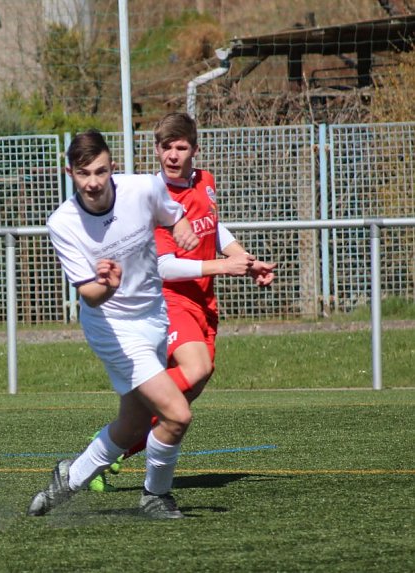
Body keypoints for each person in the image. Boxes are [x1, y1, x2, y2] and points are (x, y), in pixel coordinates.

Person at [88, 112, 277, 491]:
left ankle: (120, 449)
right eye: (166, 148)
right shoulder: (152, 196)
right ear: (156, 150)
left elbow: (214, 225)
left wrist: (247, 260)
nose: (173, 155)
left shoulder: (205, 182)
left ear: (195, 149)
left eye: (181, 147)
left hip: (203, 300)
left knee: (195, 384)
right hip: (169, 299)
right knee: (196, 367)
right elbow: (164, 266)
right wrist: (224, 267)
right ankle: (112, 438)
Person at [27, 129, 200, 519]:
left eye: (101, 172)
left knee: (134, 423)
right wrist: (107, 285)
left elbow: (173, 215)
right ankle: (155, 495)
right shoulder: (63, 223)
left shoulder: (143, 189)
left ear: (113, 167)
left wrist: (181, 226)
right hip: (112, 327)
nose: (93, 183)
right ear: (68, 171)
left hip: (153, 317)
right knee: (176, 413)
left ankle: (68, 480)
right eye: (83, 173)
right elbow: (88, 294)